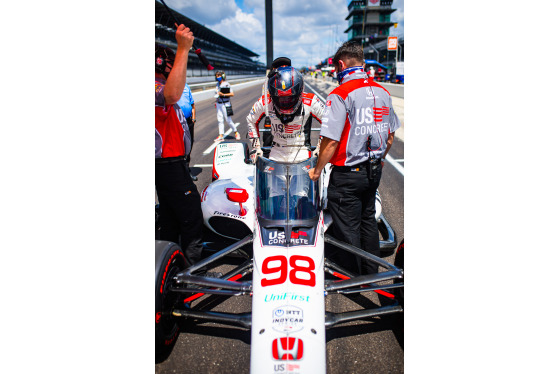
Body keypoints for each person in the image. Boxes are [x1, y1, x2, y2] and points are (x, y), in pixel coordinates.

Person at [308, 41, 401, 275]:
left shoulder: (340, 94)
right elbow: (389, 137)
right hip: (373, 171)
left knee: (347, 228)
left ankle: (351, 281)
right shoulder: (383, 91)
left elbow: (330, 141)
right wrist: (379, 161)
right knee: (367, 222)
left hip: (347, 175)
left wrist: (317, 171)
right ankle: (370, 273)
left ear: (340, 64)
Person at [155, 26, 203, 267]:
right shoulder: (154, 86)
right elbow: (172, 95)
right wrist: (183, 48)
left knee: (171, 219)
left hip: (172, 164)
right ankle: (192, 273)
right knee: (191, 215)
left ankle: (171, 268)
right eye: (171, 65)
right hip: (168, 164)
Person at [247, 64, 324, 163]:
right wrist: (256, 147)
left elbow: (328, 121)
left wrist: (321, 147)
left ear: (299, 92)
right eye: (280, 98)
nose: (285, 101)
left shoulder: (310, 101)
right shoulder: (265, 102)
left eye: (289, 98)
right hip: (276, 153)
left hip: (302, 153)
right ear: (272, 94)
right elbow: (251, 120)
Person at [177, 82, 198, 181]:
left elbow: (192, 104)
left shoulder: (186, 86)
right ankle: (180, 174)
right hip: (177, 122)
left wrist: (193, 119)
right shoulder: (171, 86)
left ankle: (187, 171)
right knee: (179, 147)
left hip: (189, 121)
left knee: (188, 146)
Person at [214, 71, 240, 141]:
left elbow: (232, 94)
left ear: (222, 76)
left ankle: (236, 132)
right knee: (220, 120)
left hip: (225, 103)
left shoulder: (226, 84)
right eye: (216, 76)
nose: (217, 77)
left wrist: (223, 94)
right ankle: (221, 135)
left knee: (228, 120)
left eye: (219, 75)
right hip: (219, 103)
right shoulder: (217, 84)